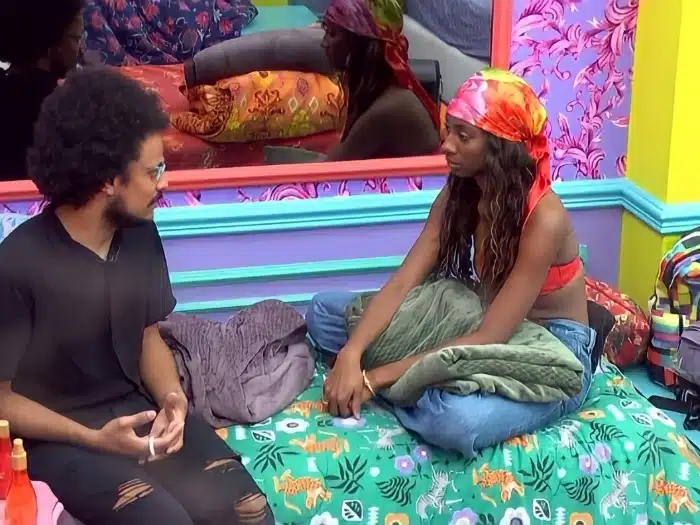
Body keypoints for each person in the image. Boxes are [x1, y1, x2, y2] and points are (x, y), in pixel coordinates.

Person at [0, 67, 273, 525]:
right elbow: (2, 399)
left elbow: (149, 338)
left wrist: (173, 399)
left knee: (249, 512)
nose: (164, 182)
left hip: (136, 413)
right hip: (59, 439)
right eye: (153, 171)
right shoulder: (18, 264)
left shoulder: (140, 235)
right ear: (108, 179)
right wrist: (93, 438)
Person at [305, 69, 595, 458]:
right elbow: (405, 281)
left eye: (463, 136)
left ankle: (414, 386)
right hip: (480, 318)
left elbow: (491, 335)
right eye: (449, 131)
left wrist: (372, 379)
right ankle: (417, 383)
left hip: (549, 348)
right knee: (324, 311)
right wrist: (351, 353)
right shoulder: (461, 193)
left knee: (455, 422)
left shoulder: (544, 217)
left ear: (499, 146)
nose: (446, 146)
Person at [321, 0, 441, 161]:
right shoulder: (381, 93)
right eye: (326, 30)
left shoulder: (389, 109)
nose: (324, 43)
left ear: (360, 45)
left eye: (332, 33)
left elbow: (329, 168)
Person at [0, 0, 85, 182]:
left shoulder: (7, 90)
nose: (78, 50)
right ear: (51, 42)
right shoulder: (62, 109)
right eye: (75, 38)